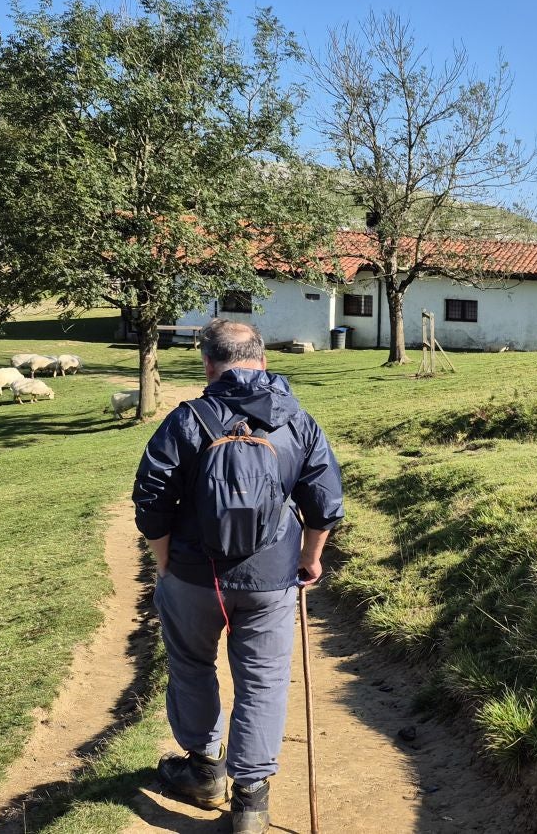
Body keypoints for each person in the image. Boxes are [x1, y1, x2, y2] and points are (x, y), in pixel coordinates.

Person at [132, 318, 343, 834]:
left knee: (191, 666)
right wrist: (310, 558)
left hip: (191, 575)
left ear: (209, 364)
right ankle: (251, 801)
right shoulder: (298, 421)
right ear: (264, 360)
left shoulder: (187, 418)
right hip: (271, 579)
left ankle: (204, 770)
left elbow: (151, 501)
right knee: (264, 683)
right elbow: (326, 503)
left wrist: (163, 563)